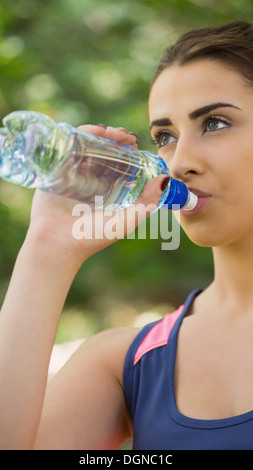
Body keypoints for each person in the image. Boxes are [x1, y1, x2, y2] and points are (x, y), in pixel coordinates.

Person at [1, 19, 253, 450]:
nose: (179, 162)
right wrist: (49, 247)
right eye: (165, 136)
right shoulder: (129, 362)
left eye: (214, 123)